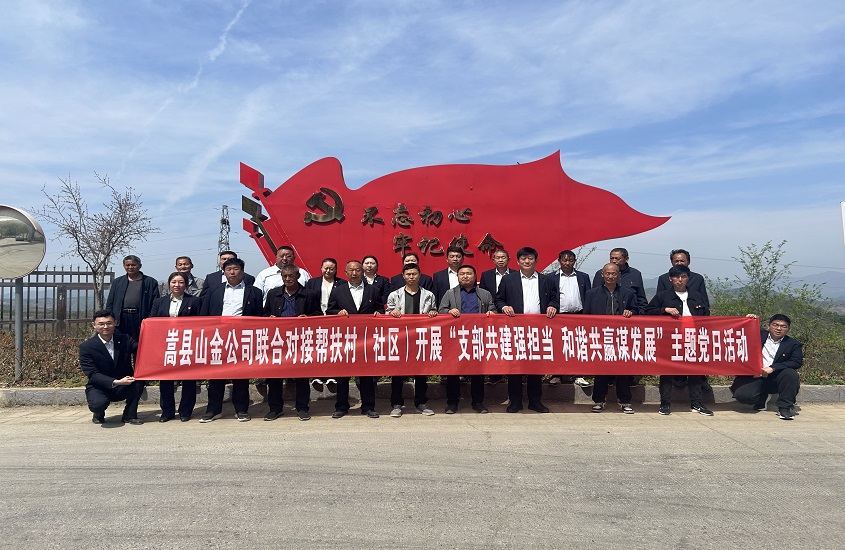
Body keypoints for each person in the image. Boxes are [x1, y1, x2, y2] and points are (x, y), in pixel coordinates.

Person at [198, 257, 264, 423]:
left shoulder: (254, 292)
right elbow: (204, 314)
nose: (232, 272)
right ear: (224, 272)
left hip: (242, 338)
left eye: (236, 269)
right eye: (228, 269)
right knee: (216, 374)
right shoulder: (214, 290)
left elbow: (259, 318)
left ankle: (241, 409)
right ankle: (213, 410)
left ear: (242, 271)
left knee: (241, 374)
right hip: (218, 337)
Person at [495, 246, 559, 413]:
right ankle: (515, 401)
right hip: (515, 329)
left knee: (535, 366)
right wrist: (504, 307)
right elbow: (499, 300)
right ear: (517, 261)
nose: (527, 261)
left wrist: (552, 306)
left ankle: (535, 401)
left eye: (530, 258)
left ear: (536, 261)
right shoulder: (508, 279)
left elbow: (555, 298)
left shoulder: (546, 280)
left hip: (538, 330)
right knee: (515, 366)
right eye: (523, 258)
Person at [647, 265, 713, 416]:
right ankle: (665, 404)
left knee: (695, 371)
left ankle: (696, 403)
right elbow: (648, 311)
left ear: (688, 278)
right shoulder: (663, 296)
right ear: (670, 279)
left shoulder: (696, 295)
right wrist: (664, 310)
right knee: (667, 371)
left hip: (693, 338)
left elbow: (706, 315)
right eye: (676, 277)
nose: (680, 280)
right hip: (670, 339)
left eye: (683, 277)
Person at [326, 260, 383, 419]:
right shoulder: (338, 291)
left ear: (362, 271)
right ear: (345, 272)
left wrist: (378, 313)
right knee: (343, 374)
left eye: (357, 270)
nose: (354, 273)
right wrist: (338, 313)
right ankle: (341, 406)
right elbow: (330, 310)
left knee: (366, 374)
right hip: (345, 338)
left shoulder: (373, 290)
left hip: (366, 338)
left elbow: (380, 308)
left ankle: (368, 407)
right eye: (351, 270)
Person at [438, 265, 495, 413]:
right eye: (462, 274)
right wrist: (449, 311)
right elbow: (441, 310)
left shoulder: (484, 294)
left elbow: (493, 310)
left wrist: (491, 313)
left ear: (475, 276)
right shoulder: (450, 293)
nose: (465, 276)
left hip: (477, 337)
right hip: (456, 338)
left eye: (469, 273)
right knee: (453, 371)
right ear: (457, 277)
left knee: (478, 371)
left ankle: (477, 402)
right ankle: (452, 402)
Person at [583, 263, 638, 414]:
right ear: (602, 275)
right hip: (600, 337)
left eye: (613, 273)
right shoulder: (591, 294)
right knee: (601, 369)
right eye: (607, 273)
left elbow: (637, 310)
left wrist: (631, 312)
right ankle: (599, 400)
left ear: (619, 275)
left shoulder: (628, 293)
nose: (610, 276)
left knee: (622, 369)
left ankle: (624, 401)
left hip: (622, 337)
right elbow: (585, 316)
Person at [655, 248, 713, 392]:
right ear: (671, 262)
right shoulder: (664, 278)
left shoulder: (697, 278)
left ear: (688, 262)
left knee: (695, 353)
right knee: (675, 352)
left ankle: (701, 379)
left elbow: (704, 302)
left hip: (693, 324)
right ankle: (678, 378)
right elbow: (658, 302)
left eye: (682, 261)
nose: (679, 263)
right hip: (672, 325)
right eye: (676, 261)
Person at [386, 263, 438, 417]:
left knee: (421, 372)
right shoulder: (395, 295)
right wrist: (392, 313)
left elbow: (434, 310)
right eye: (408, 274)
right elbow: (387, 313)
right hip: (401, 338)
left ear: (419, 275)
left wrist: (433, 313)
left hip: (420, 337)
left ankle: (421, 403)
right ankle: (396, 404)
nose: (411, 277)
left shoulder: (428, 295)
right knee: (398, 372)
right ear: (403, 276)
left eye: (414, 274)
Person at [149, 272, 202, 422]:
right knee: (166, 378)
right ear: (169, 284)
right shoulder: (159, 302)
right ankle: (167, 411)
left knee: (188, 378)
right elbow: (152, 321)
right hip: (167, 344)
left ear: (186, 284)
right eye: (173, 282)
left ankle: (185, 411)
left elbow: (201, 322)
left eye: (180, 282)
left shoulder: (195, 301)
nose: (177, 285)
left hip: (187, 343)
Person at [263, 264, 314, 421]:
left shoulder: (309, 294)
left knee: (301, 375)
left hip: (300, 341)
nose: (287, 279)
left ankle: (302, 408)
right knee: (275, 375)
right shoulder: (273, 293)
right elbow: (264, 314)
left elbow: (317, 314)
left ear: (297, 276)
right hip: (278, 340)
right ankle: (275, 408)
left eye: (291, 276)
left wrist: (308, 318)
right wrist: (269, 318)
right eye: (284, 276)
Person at [730, 314, 803, 420]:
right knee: (743, 396)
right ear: (769, 326)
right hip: (755, 376)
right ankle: (762, 398)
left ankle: (785, 408)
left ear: (788, 329)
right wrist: (749, 319)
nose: (779, 328)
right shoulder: (758, 335)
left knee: (790, 374)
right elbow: (742, 330)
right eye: (775, 325)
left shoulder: (793, 344)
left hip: (775, 378)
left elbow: (796, 362)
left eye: (783, 326)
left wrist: (773, 367)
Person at [79, 309, 144, 425]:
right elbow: (92, 374)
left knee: (138, 382)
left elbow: (142, 350)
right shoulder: (86, 347)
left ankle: (129, 415)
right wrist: (116, 382)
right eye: (101, 324)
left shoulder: (125, 339)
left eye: (109, 323)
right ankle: (98, 413)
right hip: (100, 386)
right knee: (98, 404)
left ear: (115, 323)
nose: (105, 327)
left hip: (124, 383)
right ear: (94, 325)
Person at [549, 249, 592, 387]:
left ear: (574, 261)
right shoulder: (550, 277)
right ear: (559, 261)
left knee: (578, 345)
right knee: (558, 345)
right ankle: (557, 374)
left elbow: (588, 296)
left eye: (570, 260)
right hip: (558, 316)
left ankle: (578, 375)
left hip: (578, 316)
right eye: (564, 260)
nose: (567, 263)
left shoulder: (583, 277)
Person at [303, 258, 345, 392]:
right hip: (316, 319)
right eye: (325, 268)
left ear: (336, 270)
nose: (328, 271)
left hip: (334, 320)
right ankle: (317, 375)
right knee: (317, 349)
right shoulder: (312, 282)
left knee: (333, 349)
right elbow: (307, 300)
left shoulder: (342, 283)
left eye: (331, 268)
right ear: (321, 268)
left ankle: (332, 375)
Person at [105, 254, 159, 341]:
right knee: (121, 344)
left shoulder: (150, 282)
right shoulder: (118, 282)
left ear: (140, 266)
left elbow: (155, 304)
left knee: (139, 344)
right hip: (121, 319)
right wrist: (110, 318)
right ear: (124, 266)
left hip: (140, 318)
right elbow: (110, 303)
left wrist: (149, 319)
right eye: (128, 265)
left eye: (133, 265)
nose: (130, 267)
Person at [479, 249, 510, 385]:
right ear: (493, 260)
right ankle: (494, 375)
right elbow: (482, 294)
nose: (500, 260)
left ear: (508, 259)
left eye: (503, 257)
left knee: (509, 343)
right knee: (493, 343)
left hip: (509, 314)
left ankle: (513, 373)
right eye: (498, 257)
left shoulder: (515, 274)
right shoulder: (486, 275)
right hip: (491, 314)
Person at [592, 247, 647, 313]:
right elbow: (594, 296)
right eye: (612, 258)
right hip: (605, 313)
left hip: (629, 314)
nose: (614, 261)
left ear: (626, 259)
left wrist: (641, 313)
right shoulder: (601, 274)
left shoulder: (635, 274)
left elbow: (641, 298)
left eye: (617, 258)